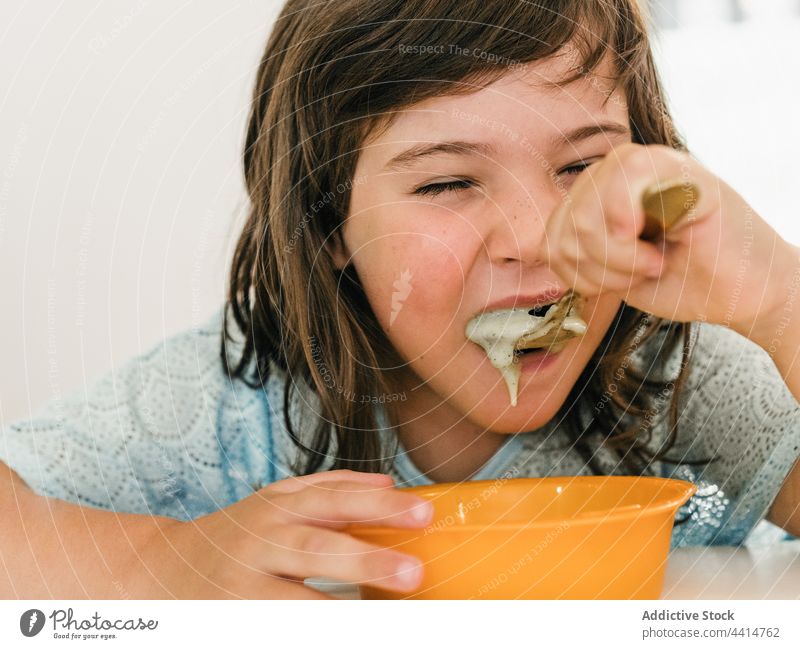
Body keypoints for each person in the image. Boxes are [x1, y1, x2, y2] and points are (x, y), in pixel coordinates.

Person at [2, 0, 799, 599]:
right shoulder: (241, 405)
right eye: (448, 181)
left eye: (582, 167)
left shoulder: (675, 391)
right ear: (328, 220)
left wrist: (781, 299)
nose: (534, 236)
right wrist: (163, 564)